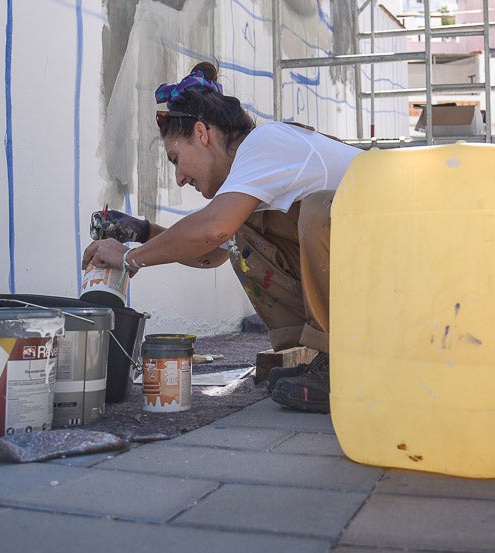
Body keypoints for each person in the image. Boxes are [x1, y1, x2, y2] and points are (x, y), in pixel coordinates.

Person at [83, 61, 361, 413]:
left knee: (323, 208)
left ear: (201, 133)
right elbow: (214, 251)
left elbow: (212, 229)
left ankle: (343, 364)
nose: (180, 178)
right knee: (243, 243)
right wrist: (142, 232)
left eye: (176, 159)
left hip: (409, 263)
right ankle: (323, 358)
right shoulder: (253, 180)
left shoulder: (266, 142)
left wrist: (128, 259)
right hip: (375, 272)